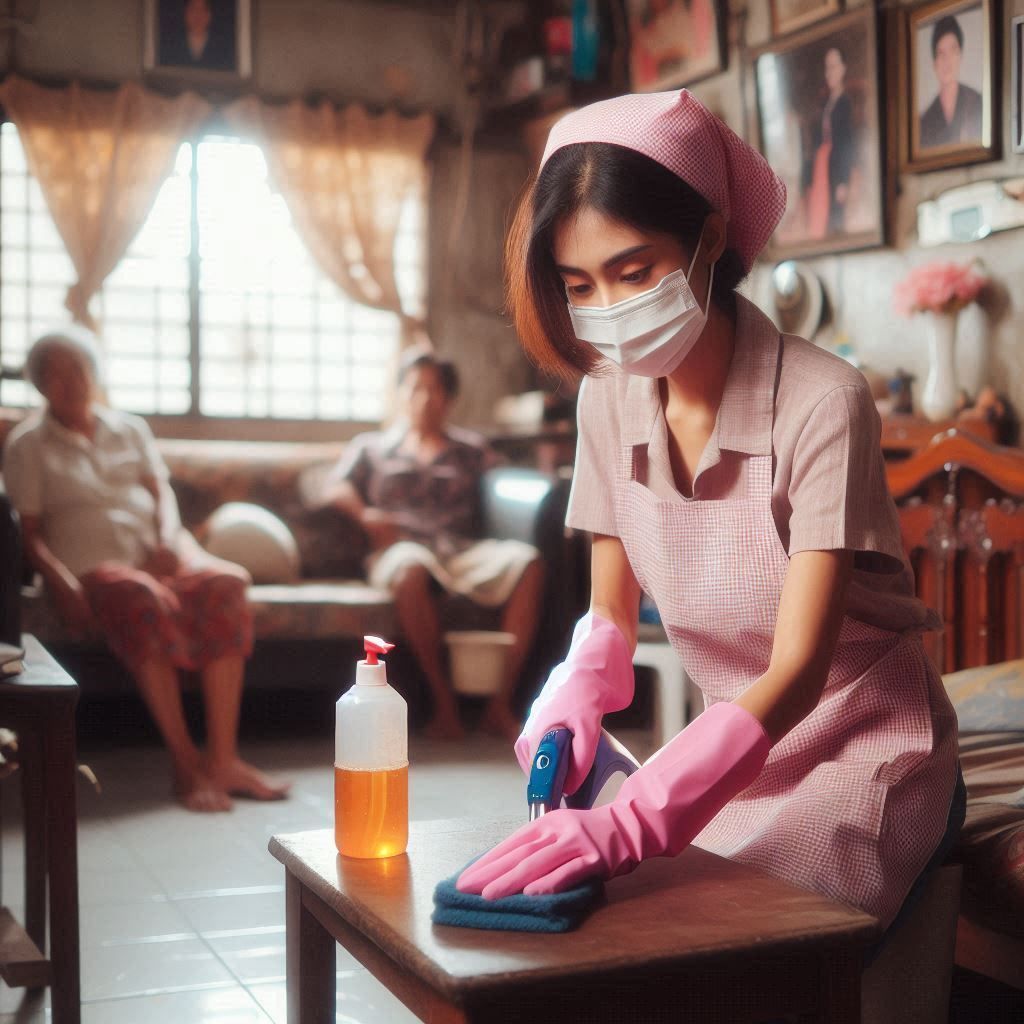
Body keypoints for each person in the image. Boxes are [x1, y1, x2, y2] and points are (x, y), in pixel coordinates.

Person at [456, 90, 963, 952]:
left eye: (635, 270)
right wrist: (579, 684)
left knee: (737, 957)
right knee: (611, 936)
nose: (609, 308)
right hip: (731, 765)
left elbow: (800, 670)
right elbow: (610, 612)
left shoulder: (822, 401)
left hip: (865, 754)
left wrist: (639, 817)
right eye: (580, 285)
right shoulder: (604, 402)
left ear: (710, 238)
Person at [2, 325, 289, 812]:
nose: (70, 381)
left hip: (156, 558)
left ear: (94, 373)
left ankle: (223, 758)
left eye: (78, 368)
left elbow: (163, 496)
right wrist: (64, 584)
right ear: (39, 385)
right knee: (142, 597)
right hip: (93, 570)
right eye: (55, 374)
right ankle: (184, 763)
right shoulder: (28, 444)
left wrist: (165, 541)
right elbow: (26, 532)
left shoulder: (129, 427)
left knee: (227, 582)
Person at [322, 348, 545, 742]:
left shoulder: (470, 449)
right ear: (400, 395)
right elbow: (332, 485)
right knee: (410, 567)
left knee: (527, 562)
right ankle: (444, 704)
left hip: (460, 551)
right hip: (402, 549)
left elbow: (510, 479)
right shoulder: (372, 447)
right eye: (415, 389)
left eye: (434, 390)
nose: (424, 399)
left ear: (449, 398)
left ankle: (499, 706)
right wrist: (365, 514)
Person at [802, 46, 854, 239]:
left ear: (843, 68)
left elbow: (846, 143)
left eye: (834, 66)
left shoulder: (844, 102)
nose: (830, 72)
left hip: (835, 165)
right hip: (822, 165)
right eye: (828, 67)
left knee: (835, 209)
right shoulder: (826, 103)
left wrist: (843, 180)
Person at [919, 14, 983, 149]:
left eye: (953, 51)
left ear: (960, 55)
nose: (948, 61)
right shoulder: (924, 122)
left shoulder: (977, 102)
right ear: (934, 62)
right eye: (941, 53)